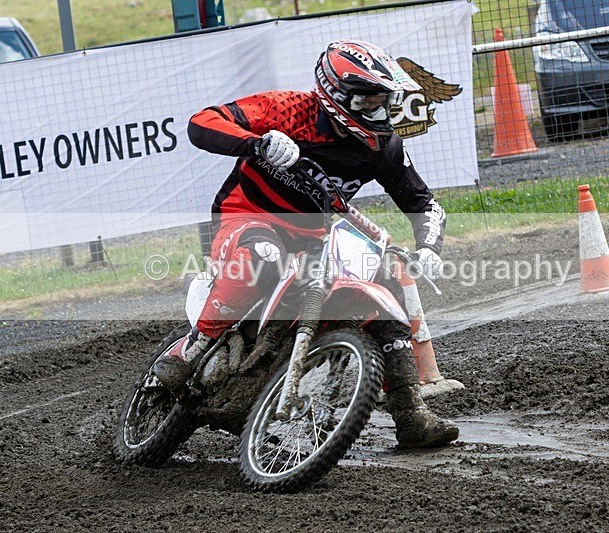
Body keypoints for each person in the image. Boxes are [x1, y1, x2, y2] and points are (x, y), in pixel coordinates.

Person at [154, 39, 458, 448]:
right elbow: (202, 122)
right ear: (336, 95)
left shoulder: (382, 145)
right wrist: (256, 143)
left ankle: (411, 414)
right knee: (262, 258)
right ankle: (189, 350)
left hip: (312, 234)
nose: (379, 111)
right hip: (246, 216)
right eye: (369, 101)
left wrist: (428, 250)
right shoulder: (289, 110)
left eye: (383, 101)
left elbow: (424, 203)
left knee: (385, 287)